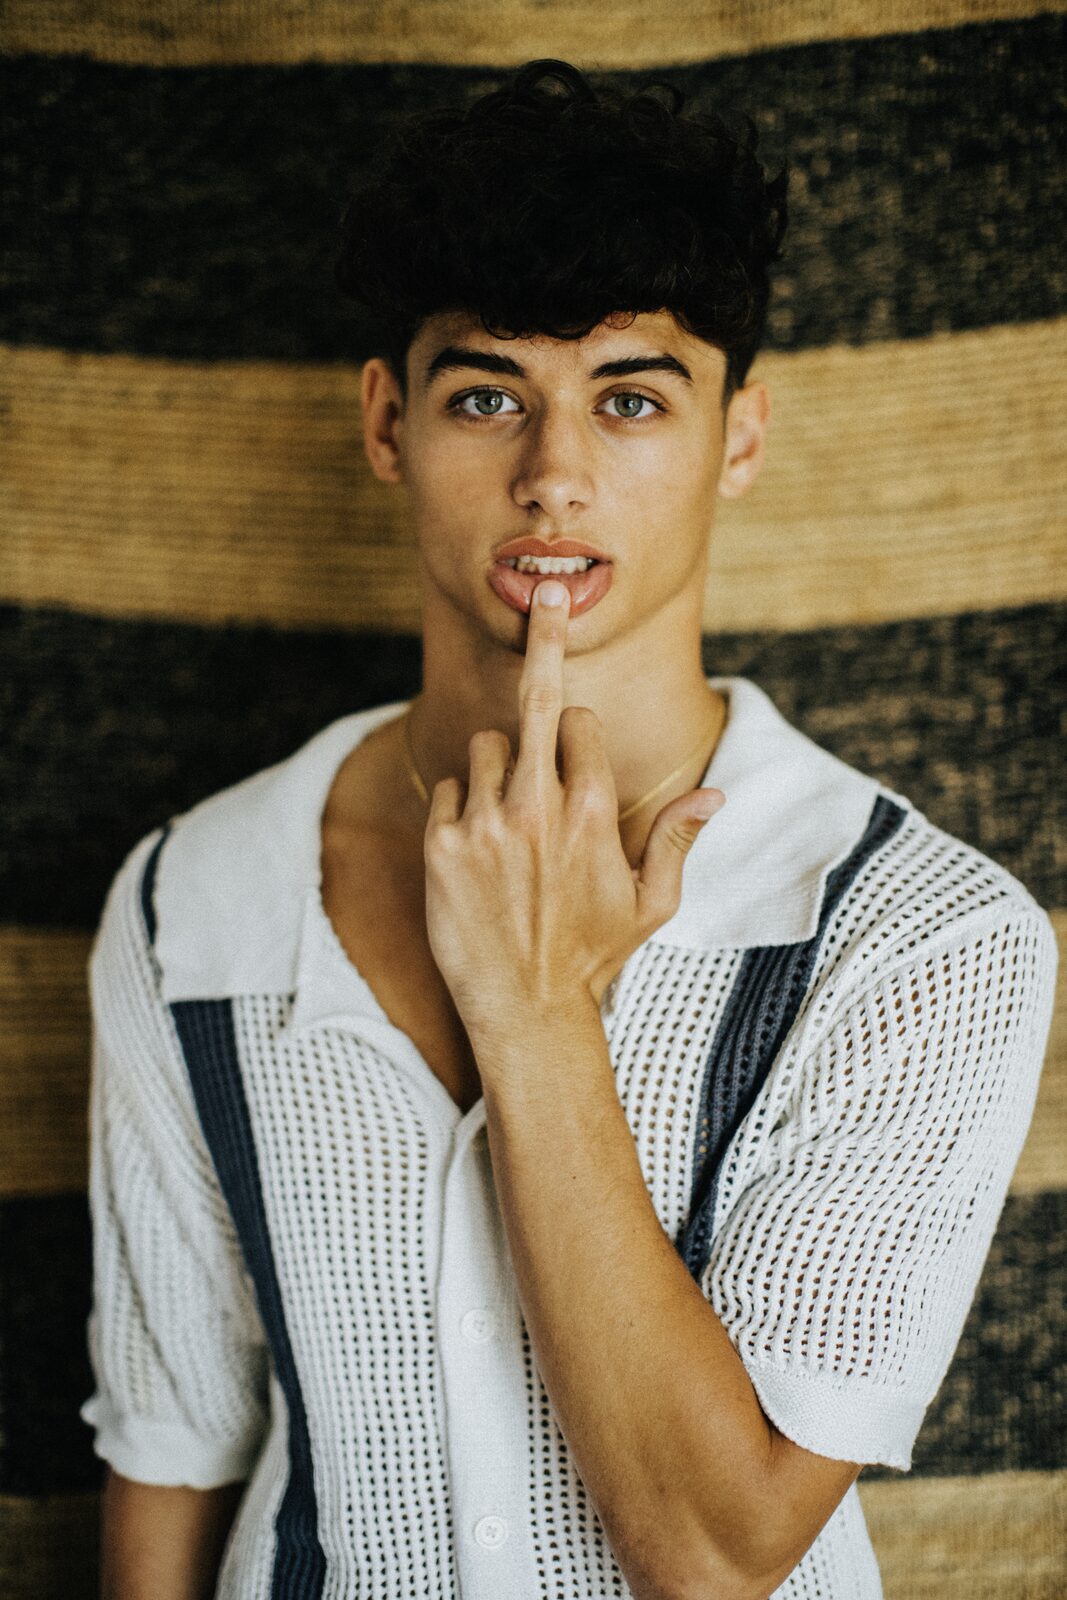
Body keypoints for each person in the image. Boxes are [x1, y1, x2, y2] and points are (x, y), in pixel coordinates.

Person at [81, 59, 1057, 1600]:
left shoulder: (924, 933)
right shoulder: (187, 899)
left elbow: (723, 1548)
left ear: (738, 438)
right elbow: (175, 1440)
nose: (553, 476)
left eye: (631, 399)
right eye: (487, 396)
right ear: (388, 423)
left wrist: (534, 1016)